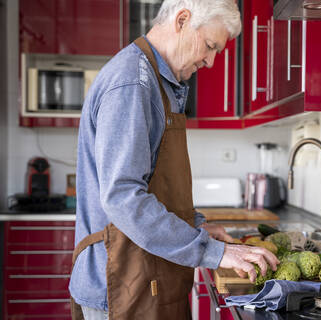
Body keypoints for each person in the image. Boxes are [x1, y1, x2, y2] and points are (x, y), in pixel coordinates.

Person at [68, 1, 280, 319]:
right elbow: (124, 197)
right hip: (118, 284)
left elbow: (154, 183)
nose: (210, 61)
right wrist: (214, 252)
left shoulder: (158, 81)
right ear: (182, 20)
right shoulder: (133, 83)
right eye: (210, 46)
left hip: (141, 274)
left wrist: (196, 228)